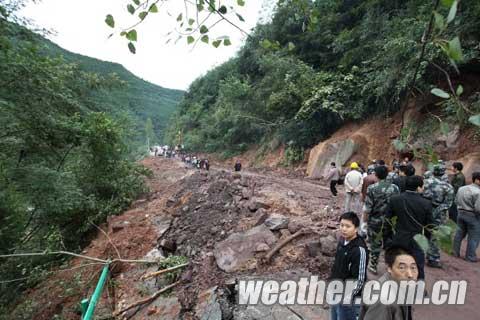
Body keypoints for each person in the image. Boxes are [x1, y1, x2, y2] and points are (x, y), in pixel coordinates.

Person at [384, 176, 433, 279]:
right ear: (418, 187)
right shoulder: (426, 203)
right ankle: (418, 291)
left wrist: (388, 238)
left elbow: (387, 220)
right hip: (417, 240)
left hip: (399, 238)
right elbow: (430, 226)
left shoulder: (395, 199)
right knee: (417, 267)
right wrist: (426, 240)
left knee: (397, 265)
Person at [359, 246, 418, 320]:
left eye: (413, 267)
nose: (410, 274)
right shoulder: (383, 302)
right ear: (389, 268)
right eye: (402, 268)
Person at [329, 212, 368, 320]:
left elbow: (360, 280)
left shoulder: (359, 250)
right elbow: (337, 265)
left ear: (356, 229)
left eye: (348, 226)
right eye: (341, 225)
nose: (344, 229)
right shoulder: (342, 241)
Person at [363, 165, 400, 274]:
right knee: (389, 243)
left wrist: (365, 221)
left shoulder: (372, 188)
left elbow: (368, 207)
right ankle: (391, 265)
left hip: (375, 220)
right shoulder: (395, 188)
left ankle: (373, 265)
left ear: (376, 175)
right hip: (390, 221)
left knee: (375, 244)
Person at [423, 163, 454, 268]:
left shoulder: (425, 182)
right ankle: (433, 259)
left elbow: (420, 195)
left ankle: (420, 254)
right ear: (443, 172)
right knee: (435, 236)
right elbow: (447, 204)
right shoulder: (448, 187)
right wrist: (436, 211)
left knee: (423, 233)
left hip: (424, 211)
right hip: (438, 214)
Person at [453, 171, 480, 263]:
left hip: (460, 213)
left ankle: (454, 252)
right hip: (473, 216)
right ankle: (470, 257)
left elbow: (456, 201)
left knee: (459, 234)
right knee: (474, 237)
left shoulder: (461, 188)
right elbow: (478, 208)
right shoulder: (478, 192)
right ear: (477, 180)